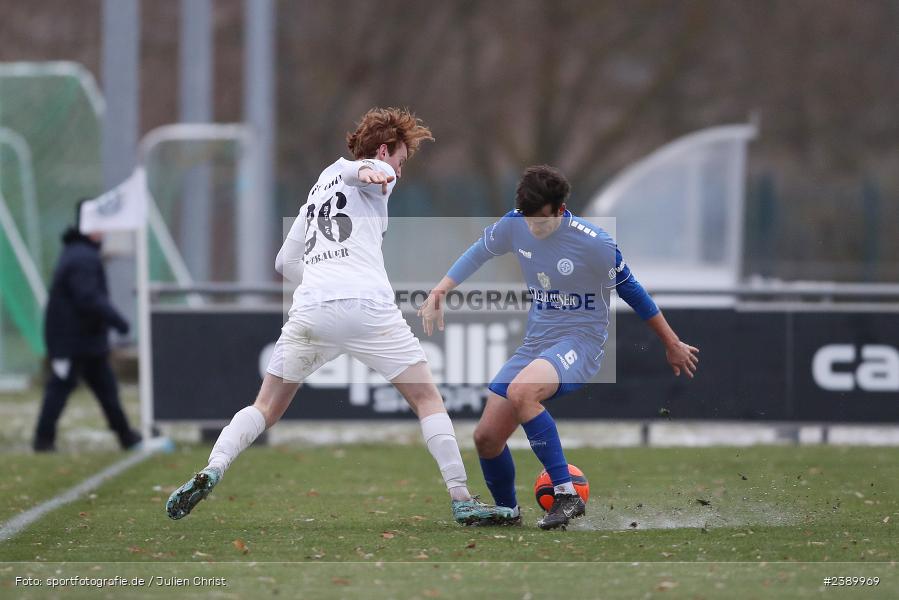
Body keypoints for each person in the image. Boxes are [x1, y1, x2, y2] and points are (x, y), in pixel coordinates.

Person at [166, 107, 514, 526]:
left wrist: (318, 278)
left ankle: (213, 468)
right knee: (426, 399)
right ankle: (460, 496)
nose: (398, 174)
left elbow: (283, 261)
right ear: (385, 151)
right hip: (367, 305)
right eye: (400, 162)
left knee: (266, 406)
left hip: (312, 305)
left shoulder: (316, 191)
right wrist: (372, 172)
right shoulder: (370, 172)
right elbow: (365, 171)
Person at [419, 165, 699, 529]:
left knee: (522, 392)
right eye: (530, 222)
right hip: (537, 342)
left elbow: (633, 291)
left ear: (561, 208)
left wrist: (671, 342)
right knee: (486, 438)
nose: (535, 229)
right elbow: (478, 252)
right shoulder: (515, 223)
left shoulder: (594, 243)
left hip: (580, 342)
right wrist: (441, 289)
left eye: (543, 222)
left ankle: (566, 495)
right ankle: (507, 512)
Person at [33, 201, 141, 452]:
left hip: (86, 341)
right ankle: (43, 439)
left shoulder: (78, 253)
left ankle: (127, 436)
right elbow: (88, 298)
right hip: (73, 342)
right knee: (60, 389)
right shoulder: (82, 257)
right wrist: (119, 321)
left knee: (106, 389)